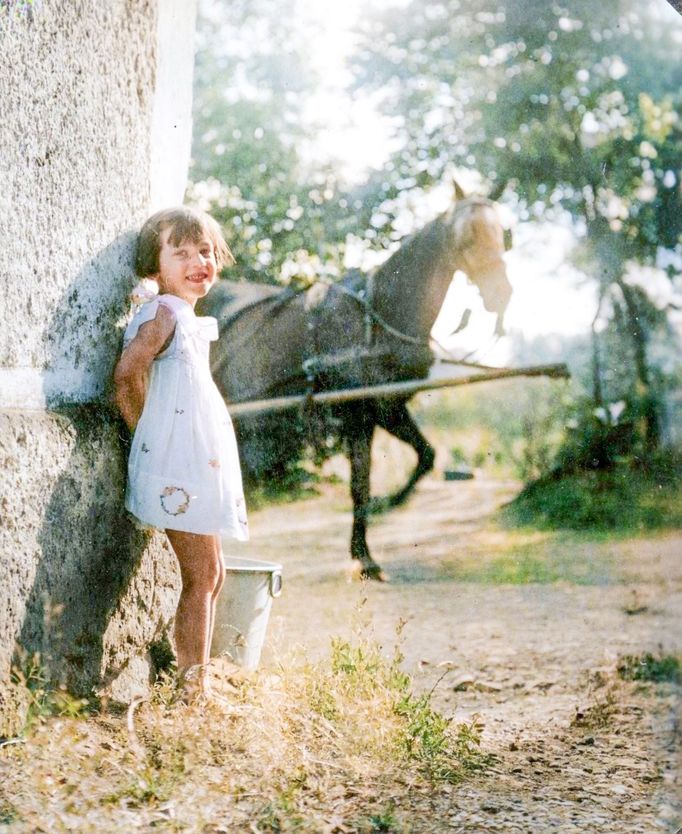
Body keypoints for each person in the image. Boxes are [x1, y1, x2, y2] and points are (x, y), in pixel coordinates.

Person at [114, 206, 249, 701]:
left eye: (206, 251)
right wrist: (147, 436)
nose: (199, 261)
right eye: (182, 252)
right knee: (203, 575)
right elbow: (128, 375)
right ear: (156, 265)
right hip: (177, 465)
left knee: (214, 574)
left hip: (195, 462)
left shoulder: (183, 315)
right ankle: (193, 690)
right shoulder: (164, 314)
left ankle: (197, 678)